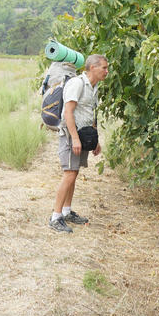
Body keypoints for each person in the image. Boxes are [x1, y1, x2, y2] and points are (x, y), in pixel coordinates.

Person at [49, 53, 109, 233]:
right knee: (69, 174)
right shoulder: (77, 83)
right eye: (104, 68)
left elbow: (91, 114)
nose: (107, 71)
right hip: (70, 135)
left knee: (74, 173)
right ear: (92, 67)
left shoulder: (94, 86)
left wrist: (95, 140)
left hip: (83, 136)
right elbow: (68, 112)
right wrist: (74, 138)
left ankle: (66, 212)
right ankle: (55, 217)